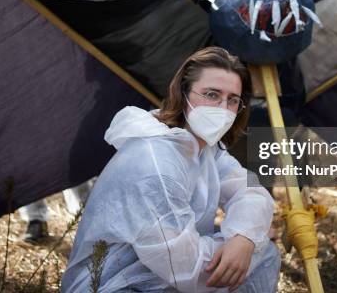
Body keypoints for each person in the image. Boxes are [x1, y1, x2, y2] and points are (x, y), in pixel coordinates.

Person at [61, 47, 280, 292]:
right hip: (117, 285)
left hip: (162, 273)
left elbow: (251, 192)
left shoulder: (204, 148)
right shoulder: (155, 162)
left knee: (262, 251)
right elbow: (187, 269)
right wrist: (240, 246)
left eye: (233, 100)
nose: (222, 107)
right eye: (211, 94)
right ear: (183, 92)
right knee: (257, 254)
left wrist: (244, 238)